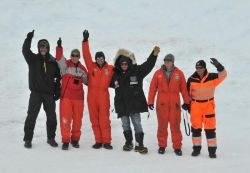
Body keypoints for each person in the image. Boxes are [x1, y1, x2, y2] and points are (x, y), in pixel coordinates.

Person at [110, 46, 160, 154]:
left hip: (134, 104)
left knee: (137, 123)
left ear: (129, 63)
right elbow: (102, 79)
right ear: (119, 64)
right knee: (125, 125)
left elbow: (148, 65)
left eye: (126, 64)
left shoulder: (137, 71)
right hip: (121, 105)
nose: (124, 66)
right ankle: (128, 143)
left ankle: (139, 145)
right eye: (122, 64)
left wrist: (154, 55)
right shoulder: (115, 75)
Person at [22, 30, 61, 149]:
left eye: (45, 46)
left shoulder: (53, 62)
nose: (43, 48)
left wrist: (57, 92)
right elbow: (25, 51)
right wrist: (28, 39)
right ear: (39, 48)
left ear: (48, 48)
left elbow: (57, 78)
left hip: (49, 94)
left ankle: (51, 138)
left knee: (52, 117)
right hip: (36, 93)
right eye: (41, 47)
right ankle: (28, 139)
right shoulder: (33, 59)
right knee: (31, 116)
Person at [148, 54, 190, 155]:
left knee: (175, 126)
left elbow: (184, 89)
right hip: (161, 104)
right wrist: (150, 101)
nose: (167, 62)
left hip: (175, 105)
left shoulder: (179, 73)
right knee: (162, 126)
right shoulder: (158, 73)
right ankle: (162, 146)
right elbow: (152, 88)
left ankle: (177, 147)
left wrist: (187, 102)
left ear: (172, 62)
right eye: (165, 60)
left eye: (169, 60)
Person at [187, 58, 227, 158]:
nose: (198, 69)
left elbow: (223, 75)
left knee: (210, 129)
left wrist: (219, 66)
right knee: (196, 129)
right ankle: (196, 149)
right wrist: (187, 105)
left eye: (200, 68)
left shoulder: (212, 77)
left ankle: (212, 151)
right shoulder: (191, 79)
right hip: (195, 106)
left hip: (208, 106)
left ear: (205, 68)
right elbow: (187, 94)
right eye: (197, 68)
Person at [82, 30, 114, 149]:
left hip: (104, 97)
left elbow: (122, 69)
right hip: (92, 98)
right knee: (94, 119)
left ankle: (107, 142)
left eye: (101, 58)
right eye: (98, 58)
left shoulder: (110, 68)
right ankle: (98, 141)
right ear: (96, 59)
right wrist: (85, 41)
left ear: (104, 59)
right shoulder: (91, 67)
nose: (100, 59)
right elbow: (86, 55)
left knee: (104, 120)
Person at [56, 38, 88, 150]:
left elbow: (88, 81)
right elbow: (59, 58)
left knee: (78, 120)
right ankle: (65, 141)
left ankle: (75, 139)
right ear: (71, 56)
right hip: (66, 98)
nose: (74, 57)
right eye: (73, 55)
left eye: (77, 55)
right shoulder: (65, 65)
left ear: (79, 57)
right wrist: (59, 47)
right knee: (65, 119)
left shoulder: (82, 69)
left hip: (79, 98)